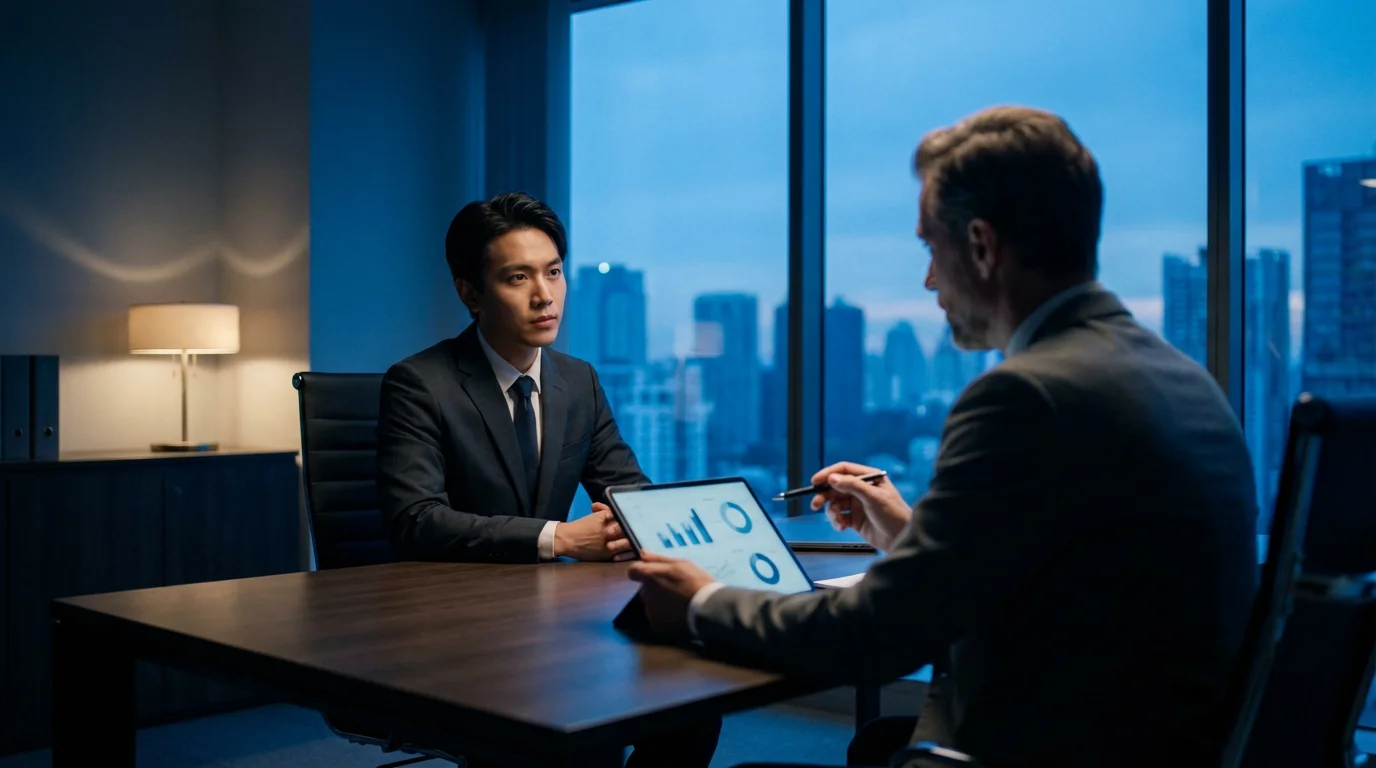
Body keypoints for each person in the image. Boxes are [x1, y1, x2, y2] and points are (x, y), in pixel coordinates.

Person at [626, 107, 1260, 768]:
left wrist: (701, 602)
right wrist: (908, 534)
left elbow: (875, 638)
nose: (929, 279)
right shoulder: (1183, 380)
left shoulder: (1025, 395)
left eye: (932, 247)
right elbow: (1079, 583)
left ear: (982, 247)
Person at [377, 192, 720, 767]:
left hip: (552, 617)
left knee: (690, 705)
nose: (545, 296)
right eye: (518, 277)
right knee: (580, 725)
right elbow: (417, 521)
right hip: (457, 624)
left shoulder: (577, 381)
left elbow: (628, 491)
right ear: (470, 293)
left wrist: (631, 525)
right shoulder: (419, 384)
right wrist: (562, 537)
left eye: (554, 273)